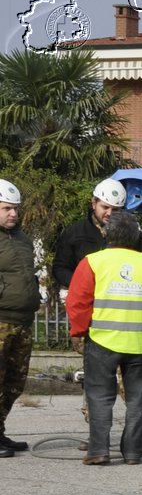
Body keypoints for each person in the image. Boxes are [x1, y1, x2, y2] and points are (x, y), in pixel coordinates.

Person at [65, 211, 142, 466]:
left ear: (107, 234)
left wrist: (79, 331)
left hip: (103, 342)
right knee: (137, 399)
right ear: (137, 236)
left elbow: (78, 302)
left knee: (99, 397)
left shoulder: (93, 262)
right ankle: (133, 452)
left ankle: (98, 451)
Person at [0, 178, 41, 458]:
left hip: (23, 321)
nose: (13, 213)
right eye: (6, 209)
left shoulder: (23, 238)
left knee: (14, 382)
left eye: (15, 208)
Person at [52, 178, 125, 291]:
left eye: (115, 210)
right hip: (86, 301)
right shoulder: (74, 233)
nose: (109, 213)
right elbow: (60, 269)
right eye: (105, 207)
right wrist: (83, 285)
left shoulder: (132, 236)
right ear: (94, 203)